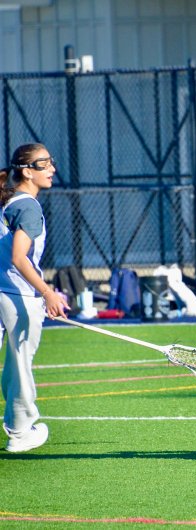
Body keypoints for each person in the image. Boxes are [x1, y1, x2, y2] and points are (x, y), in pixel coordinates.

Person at [0, 143, 69, 452]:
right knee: (19, 366)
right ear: (27, 171)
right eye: (44, 164)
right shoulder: (28, 206)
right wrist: (47, 292)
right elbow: (18, 257)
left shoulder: (8, 201)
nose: (52, 168)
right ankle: (21, 431)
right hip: (18, 294)